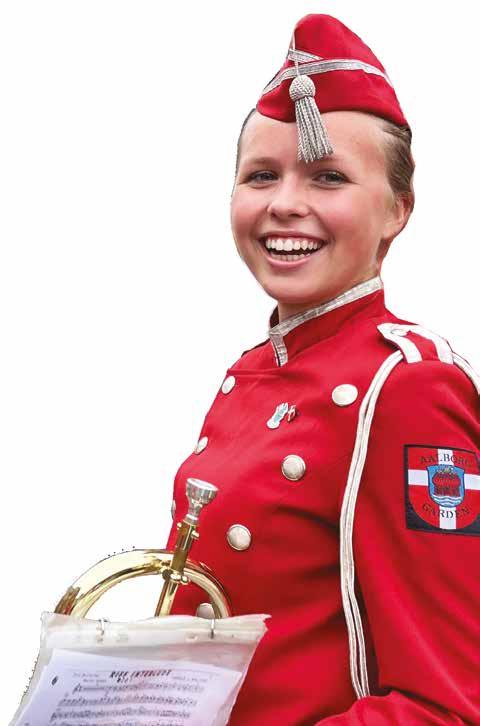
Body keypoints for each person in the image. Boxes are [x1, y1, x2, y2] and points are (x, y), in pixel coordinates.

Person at [166, 14, 480, 724]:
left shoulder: (409, 387)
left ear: (398, 210)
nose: (284, 204)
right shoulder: (248, 373)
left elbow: (447, 706)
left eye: (328, 177)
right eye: (261, 176)